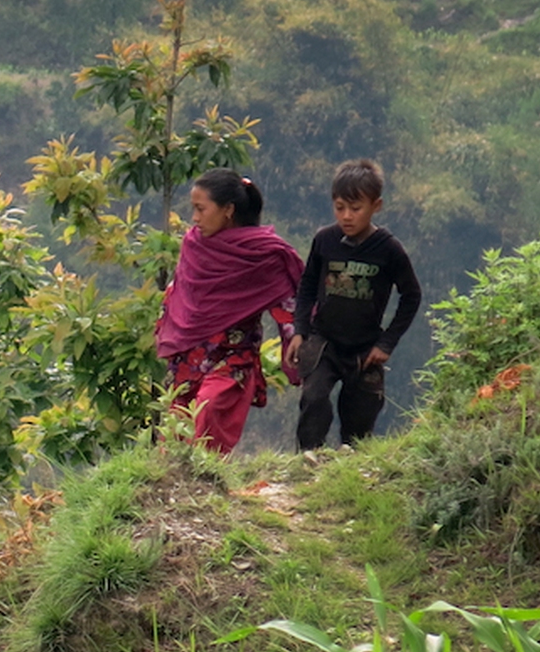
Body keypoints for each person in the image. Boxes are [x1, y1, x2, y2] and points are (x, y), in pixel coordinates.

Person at [154, 169, 305, 455]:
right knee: (172, 441)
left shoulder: (263, 254)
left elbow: (288, 305)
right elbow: (177, 293)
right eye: (193, 209)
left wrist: (297, 342)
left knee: (208, 415)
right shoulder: (193, 244)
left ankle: (208, 485)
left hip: (232, 357)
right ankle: (179, 496)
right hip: (189, 359)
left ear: (228, 210)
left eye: (201, 209)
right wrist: (164, 330)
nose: (195, 218)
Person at [291, 159, 424, 450]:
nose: (347, 216)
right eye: (340, 207)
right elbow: (307, 287)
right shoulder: (325, 240)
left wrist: (386, 343)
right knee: (313, 399)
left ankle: (351, 470)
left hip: (365, 348)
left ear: (376, 206)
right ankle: (308, 459)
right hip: (324, 341)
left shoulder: (388, 249)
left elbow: (411, 296)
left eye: (356, 208)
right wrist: (299, 331)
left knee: (359, 422)